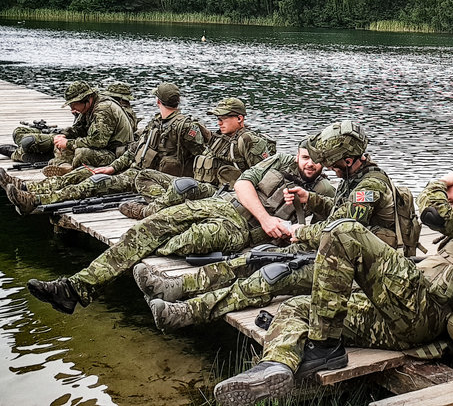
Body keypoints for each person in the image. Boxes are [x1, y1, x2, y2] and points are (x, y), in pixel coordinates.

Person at [211, 171, 453, 406]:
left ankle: (324, 347)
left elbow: (432, 212)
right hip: (400, 322)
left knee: (344, 231)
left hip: (426, 314)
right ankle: (275, 366)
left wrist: (442, 181)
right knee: (298, 306)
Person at [138, 120, 408, 330]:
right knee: (255, 258)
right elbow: (341, 215)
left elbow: (343, 230)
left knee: (271, 276)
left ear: (348, 160)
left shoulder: (369, 186)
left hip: (361, 270)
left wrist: (299, 231)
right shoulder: (354, 178)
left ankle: (187, 313)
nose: (328, 167)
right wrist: (312, 199)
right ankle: (176, 286)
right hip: (338, 255)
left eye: (332, 163)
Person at [24, 136, 335, 315]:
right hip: (221, 205)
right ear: (298, 154)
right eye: (305, 157)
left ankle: (140, 279)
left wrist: (288, 229)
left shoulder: (325, 193)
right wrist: (267, 218)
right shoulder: (279, 161)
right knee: (150, 227)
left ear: (326, 162)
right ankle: (74, 288)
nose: (309, 163)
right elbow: (243, 184)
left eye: (316, 160)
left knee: (180, 241)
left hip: (239, 231)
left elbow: (321, 237)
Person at [1, 82, 206, 214]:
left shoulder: (185, 126)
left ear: (158, 101)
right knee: (83, 172)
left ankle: (36, 200)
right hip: (136, 170)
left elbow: (201, 156)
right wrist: (112, 167)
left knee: (93, 183)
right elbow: (134, 150)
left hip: (151, 178)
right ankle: (31, 189)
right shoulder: (156, 122)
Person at [122, 97, 275, 219]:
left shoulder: (249, 140)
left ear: (239, 118)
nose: (219, 122)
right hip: (203, 186)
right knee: (144, 176)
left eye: (223, 118)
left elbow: (264, 178)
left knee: (183, 187)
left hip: (222, 193)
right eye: (217, 118)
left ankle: (148, 212)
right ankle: (166, 206)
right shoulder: (219, 137)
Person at [2, 81, 134, 176]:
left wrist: (68, 143)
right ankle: (61, 165)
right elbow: (78, 129)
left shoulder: (103, 110)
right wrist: (64, 135)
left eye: (74, 105)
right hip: (103, 149)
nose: (72, 109)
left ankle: (62, 165)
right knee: (61, 144)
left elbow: (98, 142)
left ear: (86, 100)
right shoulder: (90, 107)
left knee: (81, 152)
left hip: (116, 154)